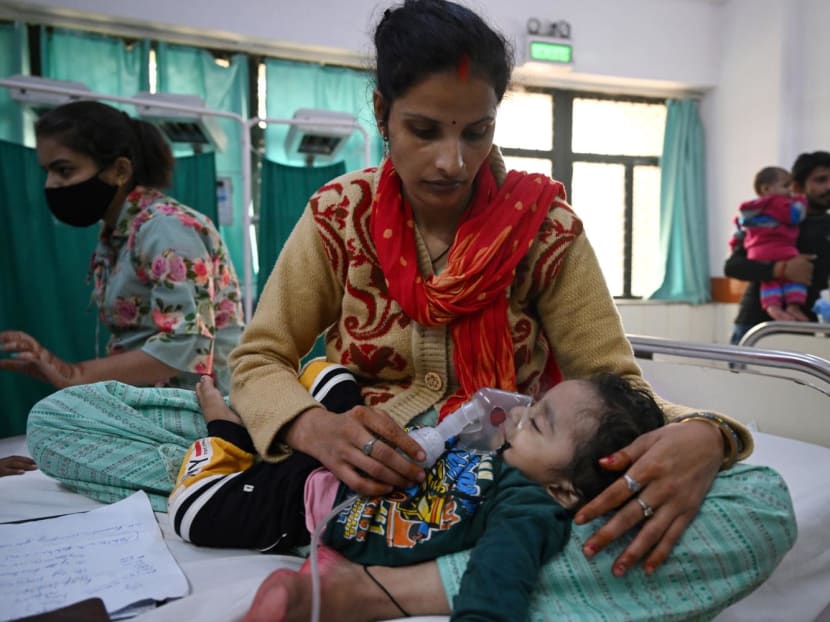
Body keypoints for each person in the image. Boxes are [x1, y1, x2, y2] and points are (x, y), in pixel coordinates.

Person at [25, 0, 793, 618]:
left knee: (761, 507)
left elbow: (608, 387)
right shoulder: (338, 214)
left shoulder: (545, 228)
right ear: (382, 111)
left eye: (477, 131)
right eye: (424, 130)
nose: (453, 161)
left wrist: (705, 435)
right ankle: (304, 507)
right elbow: (256, 358)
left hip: (496, 475)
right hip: (336, 457)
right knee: (63, 419)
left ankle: (388, 588)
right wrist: (311, 426)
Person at [170, 369, 665, 621]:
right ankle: (277, 425)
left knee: (194, 512)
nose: (515, 415)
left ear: (564, 488)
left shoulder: (528, 507)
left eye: (535, 423)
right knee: (332, 375)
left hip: (309, 505)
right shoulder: (500, 455)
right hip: (353, 453)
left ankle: (223, 425)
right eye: (531, 405)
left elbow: (497, 580)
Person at [0, 100, 244, 393]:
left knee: (50, 414)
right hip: (149, 397)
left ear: (119, 170)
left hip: (204, 403)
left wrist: (73, 374)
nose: (51, 185)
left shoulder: (167, 228)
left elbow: (187, 345)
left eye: (64, 170)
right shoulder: (118, 235)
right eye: (48, 172)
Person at [725, 151, 830, 344]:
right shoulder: (767, 221)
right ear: (797, 187)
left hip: (805, 326)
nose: (828, 186)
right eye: (820, 180)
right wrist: (780, 269)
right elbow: (733, 266)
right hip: (756, 327)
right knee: (744, 376)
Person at [729, 166, 808, 322]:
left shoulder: (751, 210)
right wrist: (800, 200)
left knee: (769, 281)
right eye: (786, 186)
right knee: (793, 277)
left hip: (757, 253)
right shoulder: (777, 203)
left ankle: (773, 307)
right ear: (766, 189)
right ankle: (794, 306)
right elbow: (794, 216)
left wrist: (734, 245)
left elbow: (738, 233)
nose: (790, 191)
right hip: (781, 249)